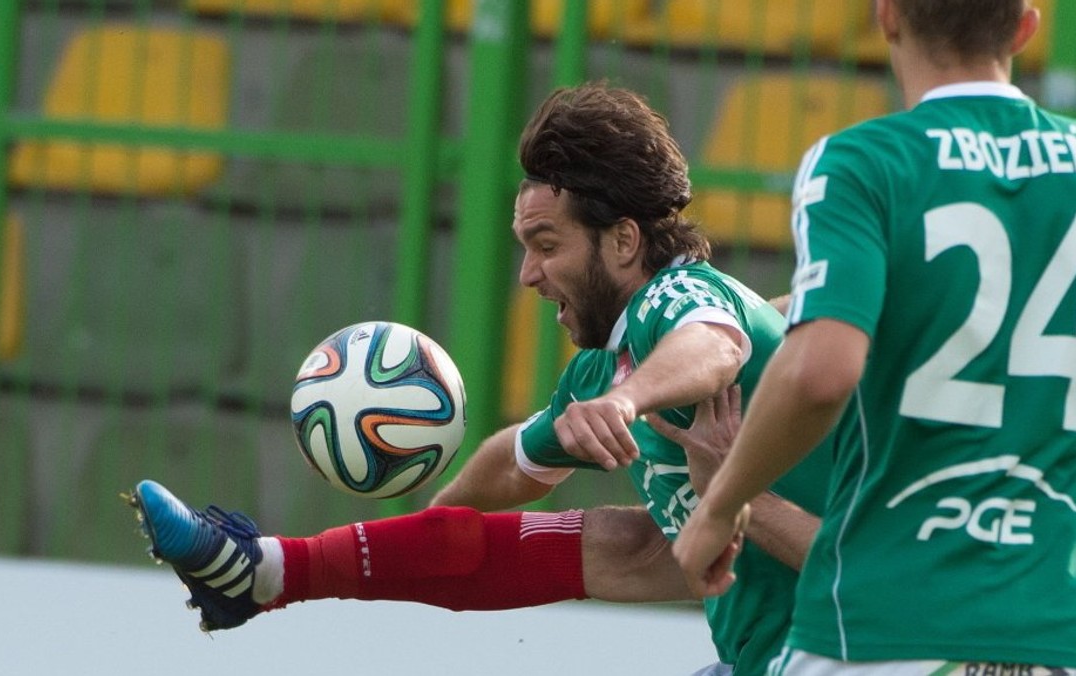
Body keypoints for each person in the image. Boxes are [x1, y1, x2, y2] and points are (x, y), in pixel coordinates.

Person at [128, 82, 828, 675]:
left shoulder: (677, 302)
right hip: (772, 654)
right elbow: (516, 463)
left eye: (546, 246)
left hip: (865, 650)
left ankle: (267, 573)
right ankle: (266, 572)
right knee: (631, 541)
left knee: (642, 540)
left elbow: (713, 346)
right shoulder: (598, 368)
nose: (528, 274)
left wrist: (629, 402)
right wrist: (427, 537)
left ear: (623, 240)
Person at [673, 1, 1076, 673]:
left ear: (886, 17)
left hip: (888, 622)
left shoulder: (861, 164)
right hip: (1066, 624)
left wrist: (725, 500)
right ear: (1026, 27)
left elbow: (821, 371)